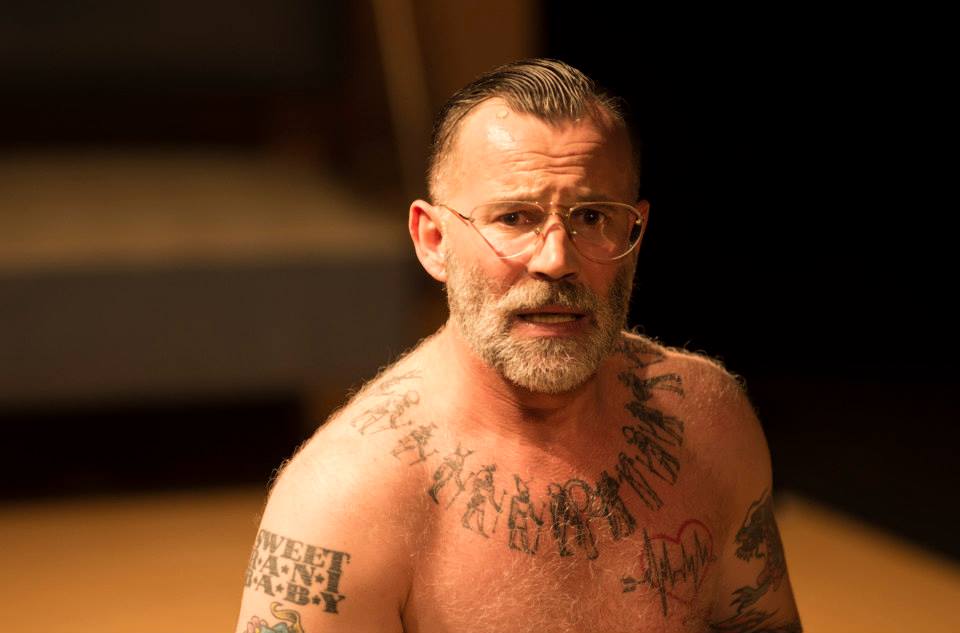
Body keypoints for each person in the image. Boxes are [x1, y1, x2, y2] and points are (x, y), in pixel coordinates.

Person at [235, 58, 802, 633]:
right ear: (433, 240)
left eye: (592, 216)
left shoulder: (708, 422)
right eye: (514, 217)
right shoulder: (343, 502)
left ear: (635, 232)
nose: (556, 259)